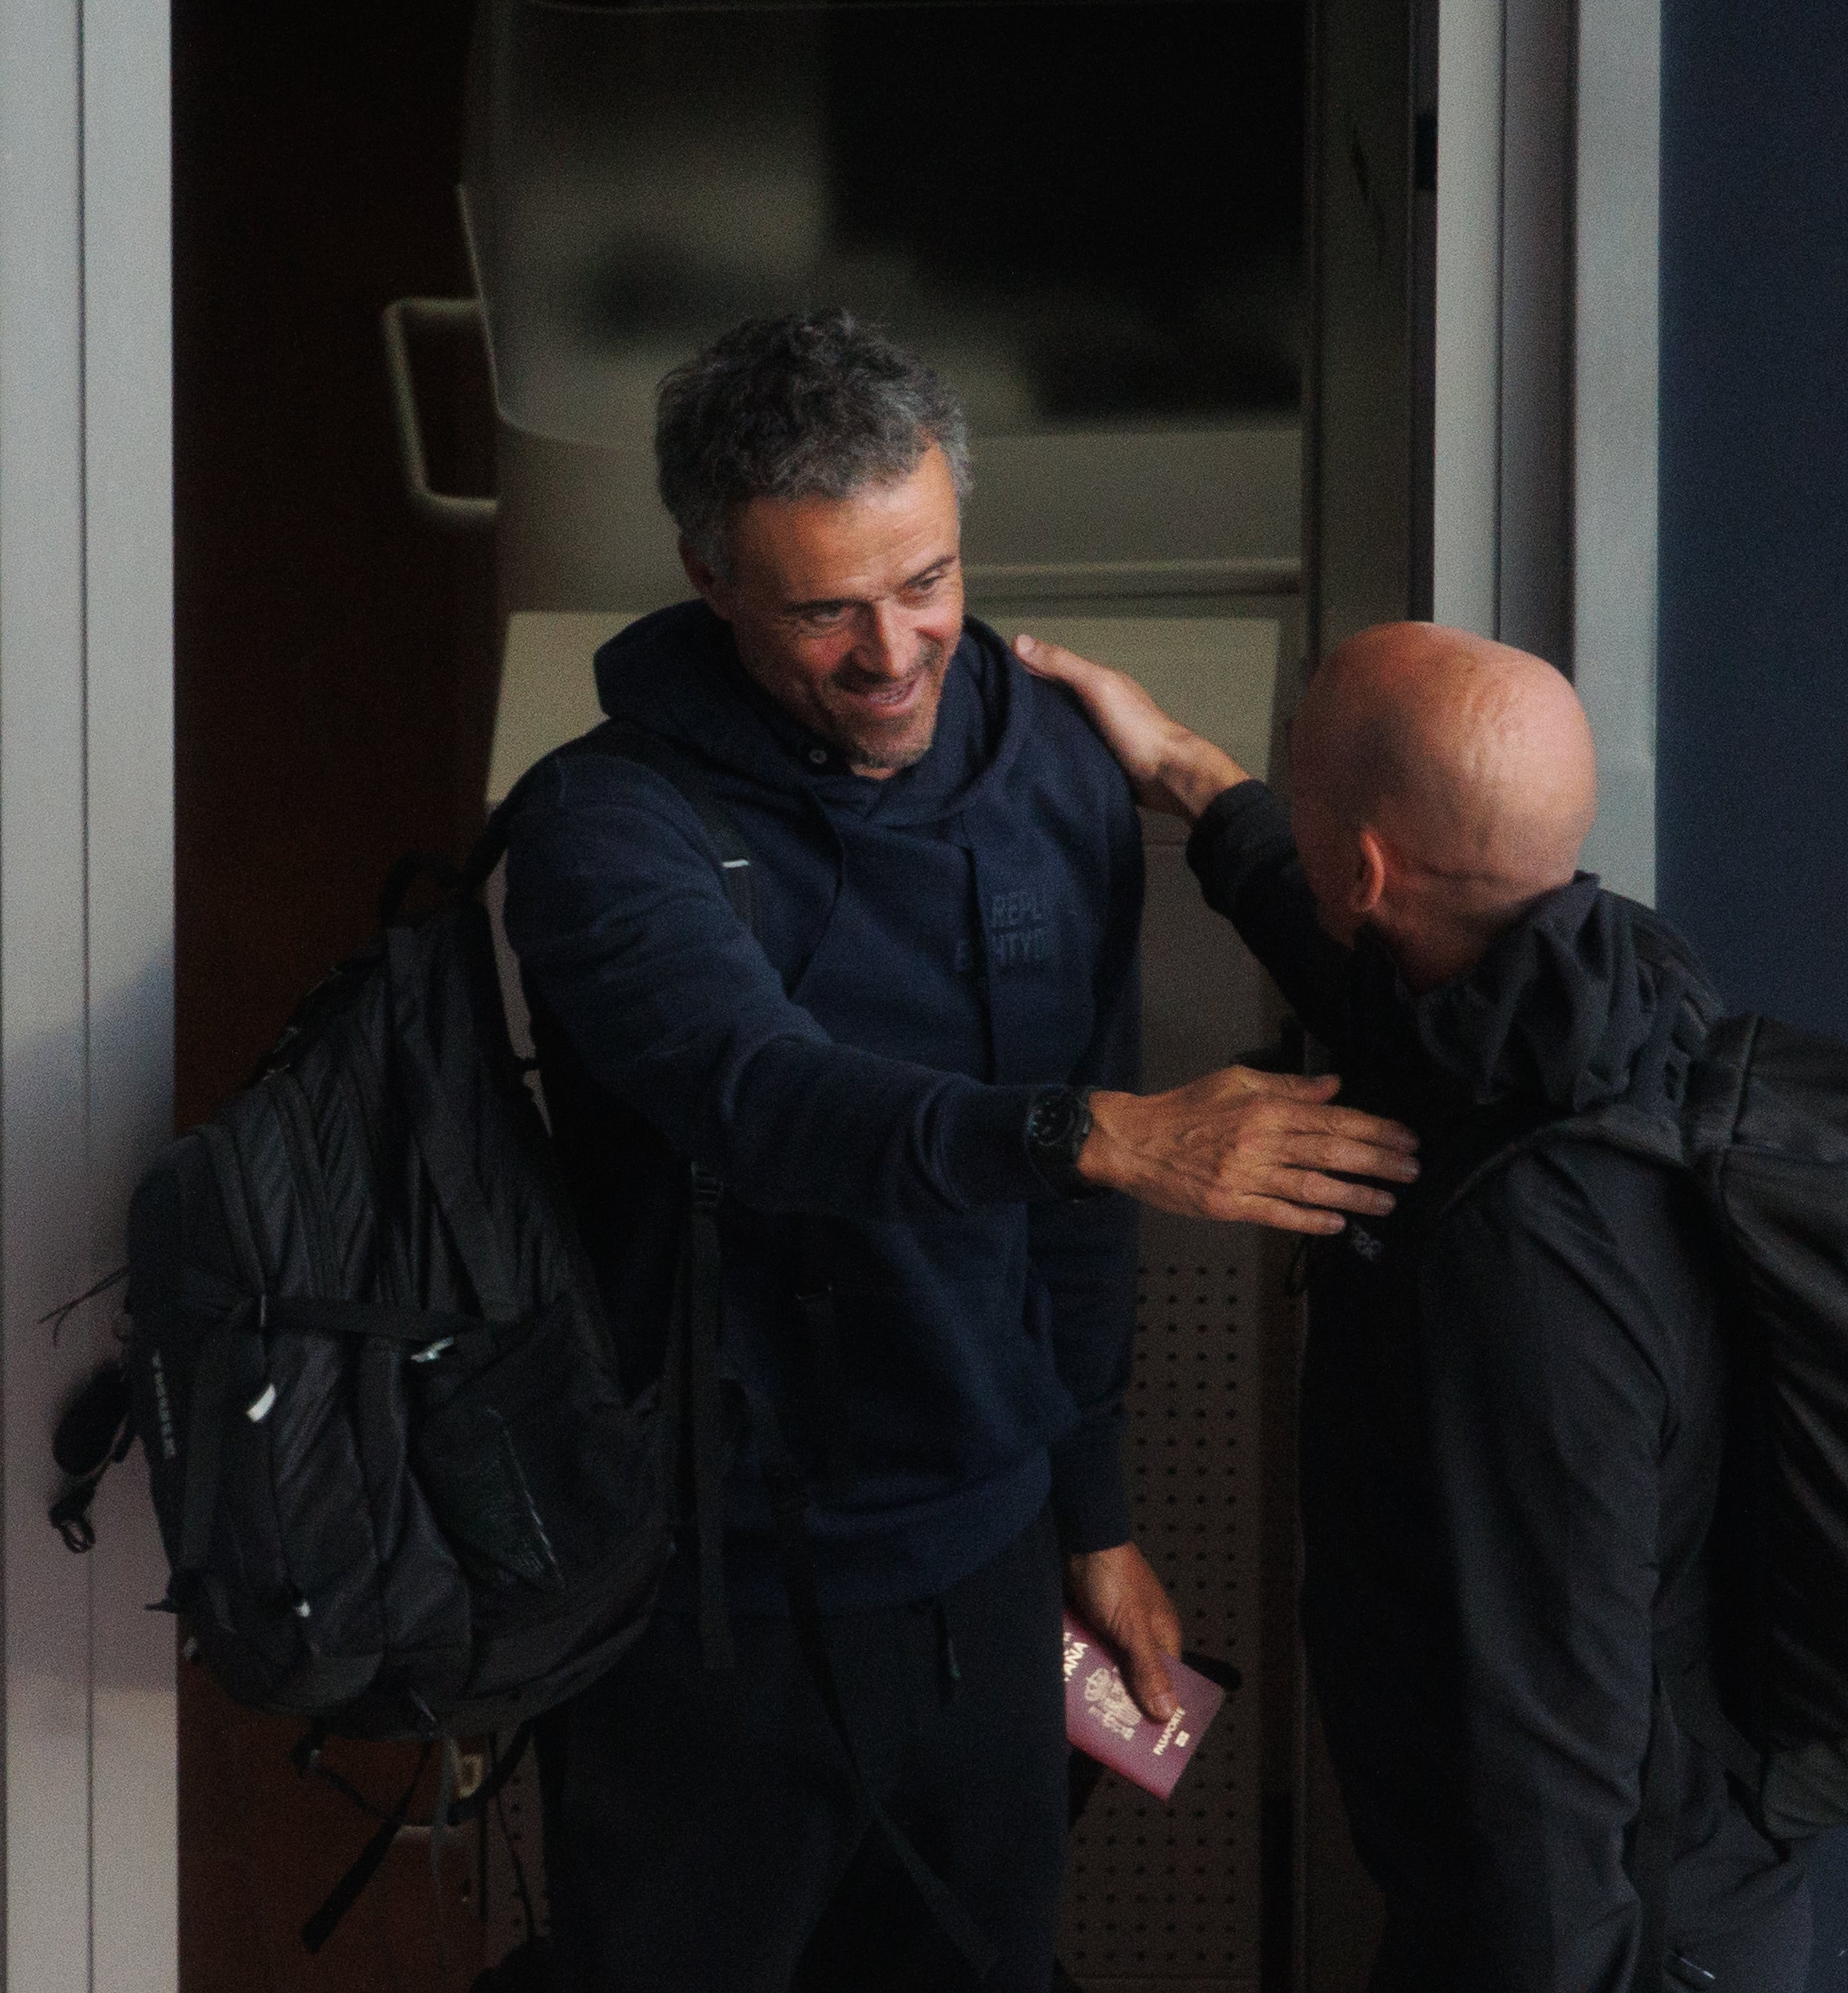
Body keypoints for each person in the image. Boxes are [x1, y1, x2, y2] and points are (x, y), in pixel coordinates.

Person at [498, 310, 1420, 1993]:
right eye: (825, 606)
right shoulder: (600, 829)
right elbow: (760, 1097)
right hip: (706, 1598)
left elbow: (1070, 1236)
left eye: (926, 579)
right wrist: (1100, 1139)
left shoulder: (1049, 769)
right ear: (710, 576)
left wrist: (1095, 1513)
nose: (895, 649)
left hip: (983, 1568)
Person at [1015, 623, 1815, 1992]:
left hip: (1602, 1940)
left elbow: (1555, 1758)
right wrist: (1193, 775)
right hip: (1598, 1896)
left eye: (1299, 781)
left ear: (1374, 866)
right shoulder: (1601, 999)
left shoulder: (1530, 1260)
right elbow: (1350, 953)